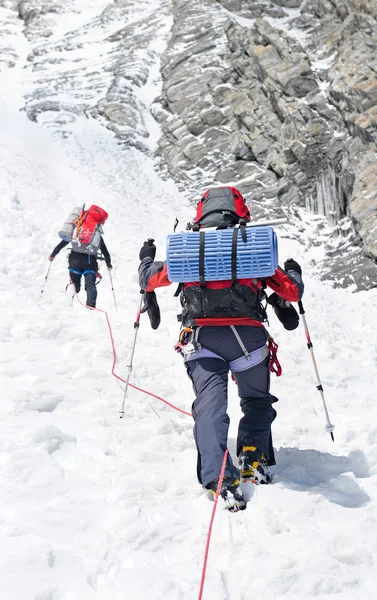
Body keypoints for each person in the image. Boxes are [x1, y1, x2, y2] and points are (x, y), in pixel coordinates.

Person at [138, 187, 304, 512]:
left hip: (202, 342)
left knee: (210, 405)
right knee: (256, 400)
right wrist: (293, 269)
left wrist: (147, 255)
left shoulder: (190, 250)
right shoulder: (251, 248)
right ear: (240, 214)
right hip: (249, 341)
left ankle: (220, 481)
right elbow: (292, 290)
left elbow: (149, 278)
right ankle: (253, 460)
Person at [48, 235, 112, 308]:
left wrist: (52, 255)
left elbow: (62, 243)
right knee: (90, 285)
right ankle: (90, 307)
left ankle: (72, 288)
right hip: (90, 263)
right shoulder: (96, 234)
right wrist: (109, 264)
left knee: (75, 284)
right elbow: (105, 252)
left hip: (75, 261)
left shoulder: (76, 231)